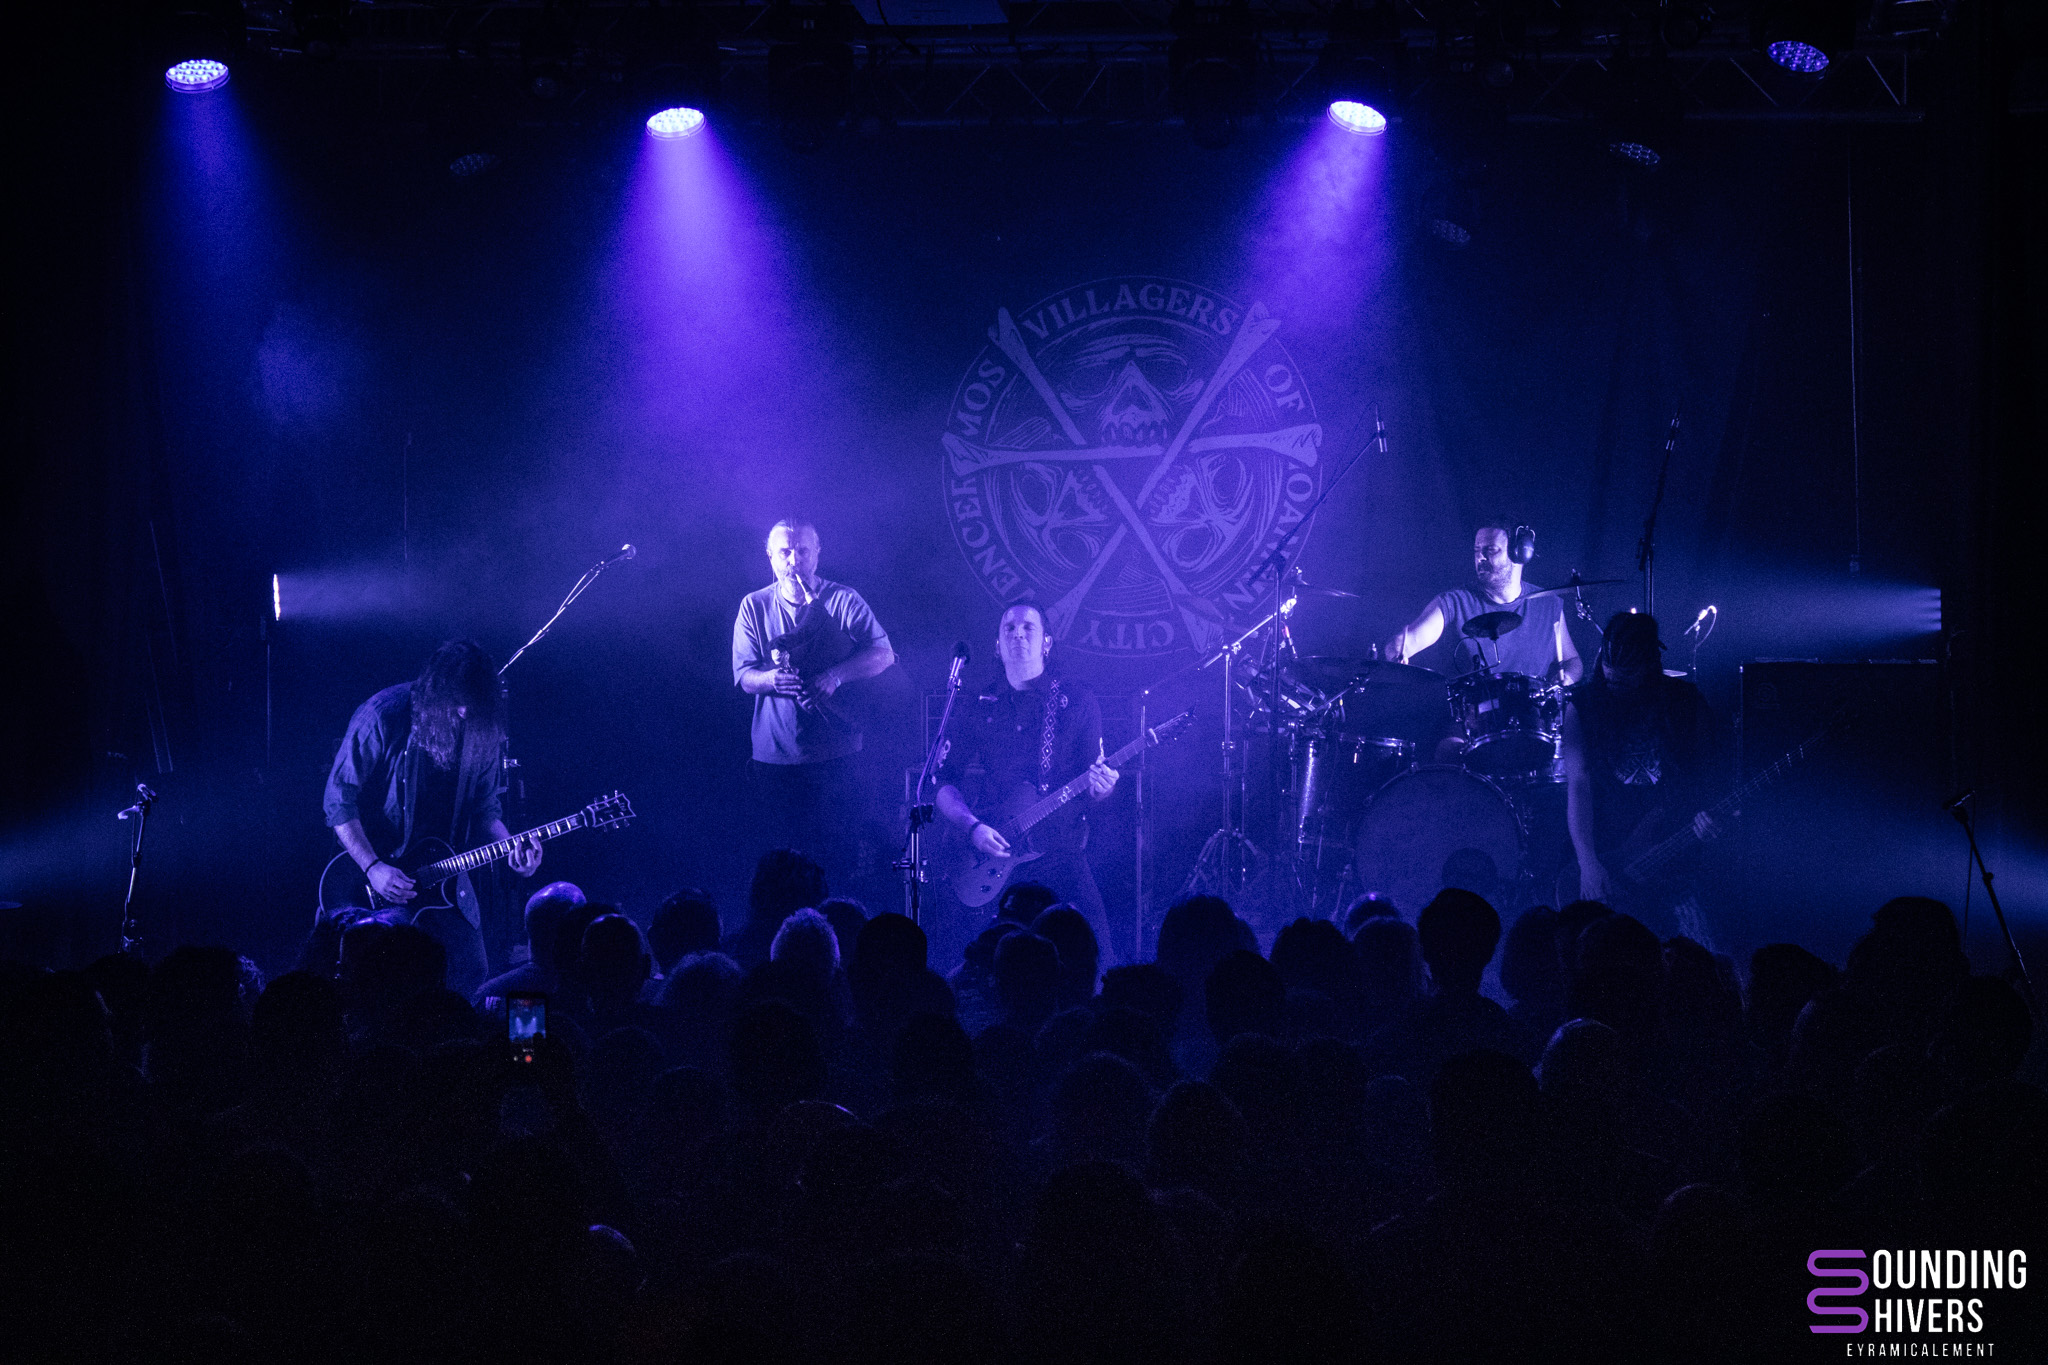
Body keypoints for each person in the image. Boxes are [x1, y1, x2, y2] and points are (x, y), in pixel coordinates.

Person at [323, 640, 543, 997]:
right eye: (457, 703)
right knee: (390, 978)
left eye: (471, 705)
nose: (463, 713)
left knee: (472, 968)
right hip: (380, 871)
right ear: (436, 693)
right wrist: (373, 867)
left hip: (442, 872)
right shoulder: (383, 714)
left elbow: (485, 809)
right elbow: (338, 801)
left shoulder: (482, 728)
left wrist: (511, 848)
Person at [935, 601, 1121, 970]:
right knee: (972, 963)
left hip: (1061, 851)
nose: (1018, 635)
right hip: (995, 852)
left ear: (1046, 642)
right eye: (1009, 628)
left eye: (1028, 628)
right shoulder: (979, 704)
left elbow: (1096, 781)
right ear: (997, 645)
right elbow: (944, 782)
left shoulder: (1076, 700)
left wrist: (1104, 788)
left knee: (1098, 960)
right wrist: (972, 827)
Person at [731, 518, 896, 871]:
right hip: (774, 761)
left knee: (836, 862)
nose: (794, 561)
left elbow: (884, 655)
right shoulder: (753, 605)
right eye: (785, 552)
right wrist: (773, 680)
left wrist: (835, 677)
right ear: (770, 556)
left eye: (803, 551)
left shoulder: (844, 599)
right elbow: (745, 677)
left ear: (818, 554)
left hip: (836, 757)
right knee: (780, 869)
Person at [1560, 612, 1720, 938]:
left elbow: (1709, 772)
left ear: (1649, 664)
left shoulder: (1684, 701)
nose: (1615, 685)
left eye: (1626, 677)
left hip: (1674, 852)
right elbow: (1578, 787)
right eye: (1609, 675)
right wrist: (1588, 863)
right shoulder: (1583, 706)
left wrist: (1709, 816)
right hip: (1612, 853)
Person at [1385, 518, 1583, 684]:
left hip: (1535, 715)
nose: (1480, 557)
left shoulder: (1548, 604)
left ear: (1520, 553)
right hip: (1475, 716)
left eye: (1491, 550)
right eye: (1477, 550)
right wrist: (1397, 650)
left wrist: (1567, 678)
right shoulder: (1454, 602)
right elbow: (1407, 641)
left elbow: (1572, 661)